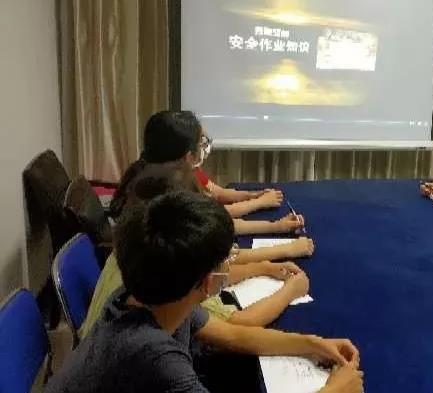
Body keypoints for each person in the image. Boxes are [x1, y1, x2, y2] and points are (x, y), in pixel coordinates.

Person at [47, 191, 363, 393]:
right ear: (208, 282)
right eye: (226, 259)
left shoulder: (157, 296)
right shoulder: (153, 356)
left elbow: (234, 335)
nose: (230, 264)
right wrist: (335, 390)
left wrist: (312, 344)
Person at [80, 162, 312, 338]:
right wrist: (291, 290)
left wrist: (262, 267)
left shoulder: (136, 244)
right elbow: (238, 328)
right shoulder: (170, 278)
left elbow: (220, 273)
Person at [111, 110, 303, 236]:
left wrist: (253, 196)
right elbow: (219, 218)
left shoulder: (161, 175)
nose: (205, 146)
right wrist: (270, 219)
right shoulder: (170, 194)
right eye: (201, 142)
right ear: (187, 156)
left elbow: (217, 195)